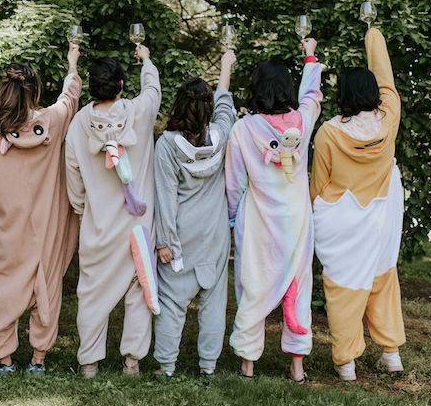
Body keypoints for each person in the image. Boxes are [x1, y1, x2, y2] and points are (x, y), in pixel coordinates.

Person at [0, 43, 81, 378]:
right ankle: (38, 359)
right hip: (47, 226)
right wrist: (72, 64)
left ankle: (4, 361)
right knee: (46, 286)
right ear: (34, 90)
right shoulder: (52, 121)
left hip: (7, 228)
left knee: (3, 289)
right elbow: (69, 99)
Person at [310, 28, 405, 381]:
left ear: (342, 95)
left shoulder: (329, 133)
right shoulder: (389, 119)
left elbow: (318, 184)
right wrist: (373, 34)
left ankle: (346, 362)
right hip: (381, 215)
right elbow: (388, 83)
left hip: (341, 219)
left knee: (343, 287)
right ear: (373, 93)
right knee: (382, 279)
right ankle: (391, 353)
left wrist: (314, 211)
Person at [225, 39, 322, 383]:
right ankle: (297, 366)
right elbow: (312, 97)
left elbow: (234, 183)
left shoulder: (243, 129)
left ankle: (248, 363)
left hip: (258, 220)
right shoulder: (303, 121)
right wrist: (309, 56)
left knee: (253, 282)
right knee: (299, 285)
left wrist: (231, 218)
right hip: (296, 218)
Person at [65, 45, 160, 378]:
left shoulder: (78, 124)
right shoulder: (139, 111)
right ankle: (132, 361)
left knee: (91, 293)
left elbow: (73, 176)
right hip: (138, 224)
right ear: (121, 83)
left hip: (98, 224)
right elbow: (153, 89)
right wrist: (146, 60)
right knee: (138, 289)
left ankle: (89, 363)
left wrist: (82, 210)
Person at [153, 51, 237, 379]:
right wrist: (226, 68)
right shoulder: (221, 136)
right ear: (208, 109)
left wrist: (165, 242)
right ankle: (208, 366)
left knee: (172, 304)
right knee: (213, 301)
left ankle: (166, 366)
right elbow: (226, 108)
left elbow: (165, 198)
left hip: (181, 233)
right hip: (214, 234)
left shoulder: (168, 146)